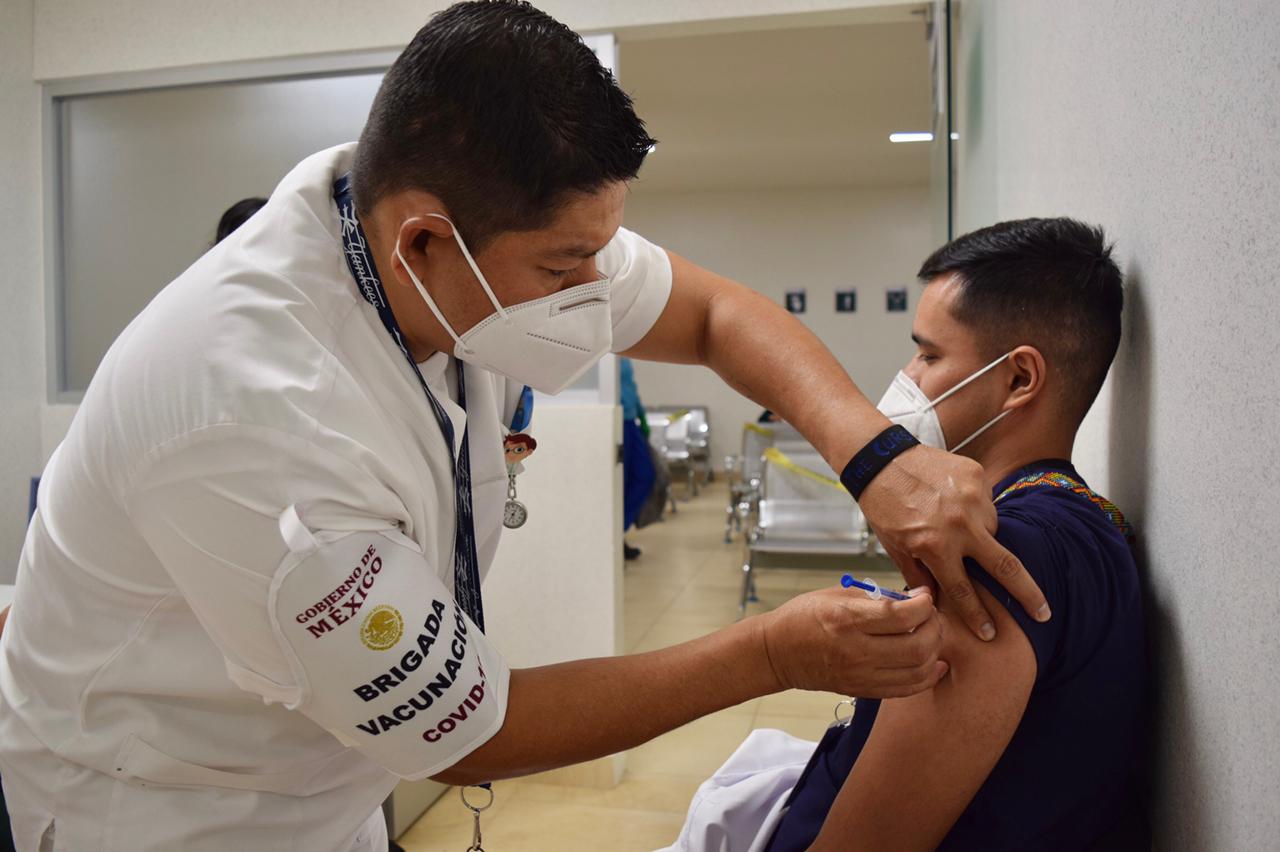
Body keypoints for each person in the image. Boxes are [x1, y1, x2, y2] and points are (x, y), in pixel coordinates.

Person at [0, 4, 1047, 848]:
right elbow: (468, 729)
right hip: (166, 807)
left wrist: (875, 456)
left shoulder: (438, 220)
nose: (594, 291)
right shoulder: (254, 417)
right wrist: (773, 653)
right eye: (561, 268)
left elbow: (716, 315)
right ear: (421, 243)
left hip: (325, 777)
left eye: (599, 253)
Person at [664, 218, 1146, 852]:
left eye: (929, 355)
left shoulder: (997, 556)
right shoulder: (1088, 517)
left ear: (1019, 379)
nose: (907, 378)